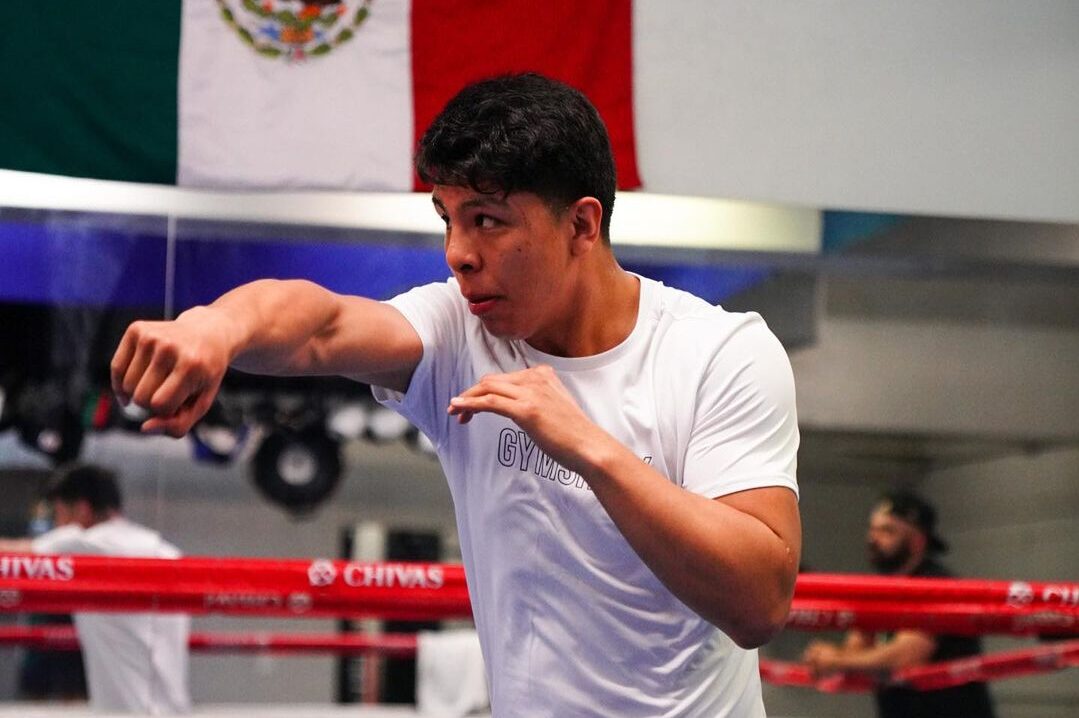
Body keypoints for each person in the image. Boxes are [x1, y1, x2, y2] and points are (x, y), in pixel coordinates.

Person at [110, 72, 802, 716]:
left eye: (488, 220)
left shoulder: (719, 352)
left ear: (581, 226)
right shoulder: (460, 332)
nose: (458, 253)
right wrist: (214, 328)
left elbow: (758, 603)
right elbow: (320, 325)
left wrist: (590, 445)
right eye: (447, 218)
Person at [0, 464, 192, 715]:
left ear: (82, 510)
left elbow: (10, 557)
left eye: (59, 513)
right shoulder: (165, 551)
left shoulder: (87, 543)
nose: (57, 524)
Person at [802, 490, 996, 718]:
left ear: (917, 542)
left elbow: (906, 657)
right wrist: (828, 656)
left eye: (887, 531)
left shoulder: (936, 585)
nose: (873, 539)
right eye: (872, 529)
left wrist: (836, 659)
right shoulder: (880, 589)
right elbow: (856, 646)